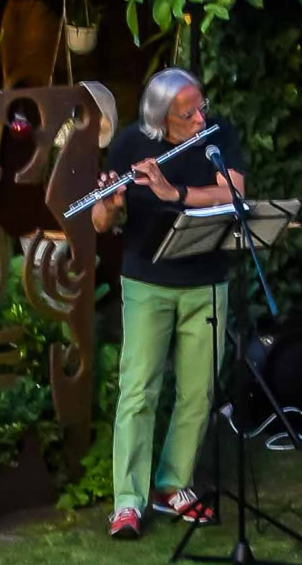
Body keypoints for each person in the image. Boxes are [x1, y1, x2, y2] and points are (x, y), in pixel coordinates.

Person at [89, 67, 245, 539]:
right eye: (188, 114)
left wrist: (174, 193)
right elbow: (100, 222)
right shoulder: (130, 144)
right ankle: (128, 501)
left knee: (198, 391)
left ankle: (173, 484)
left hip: (207, 280)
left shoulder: (216, 135)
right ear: (161, 119)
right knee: (139, 390)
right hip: (147, 281)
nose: (200, 119)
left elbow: (234, 191)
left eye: (201, 107)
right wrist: (111, 204)